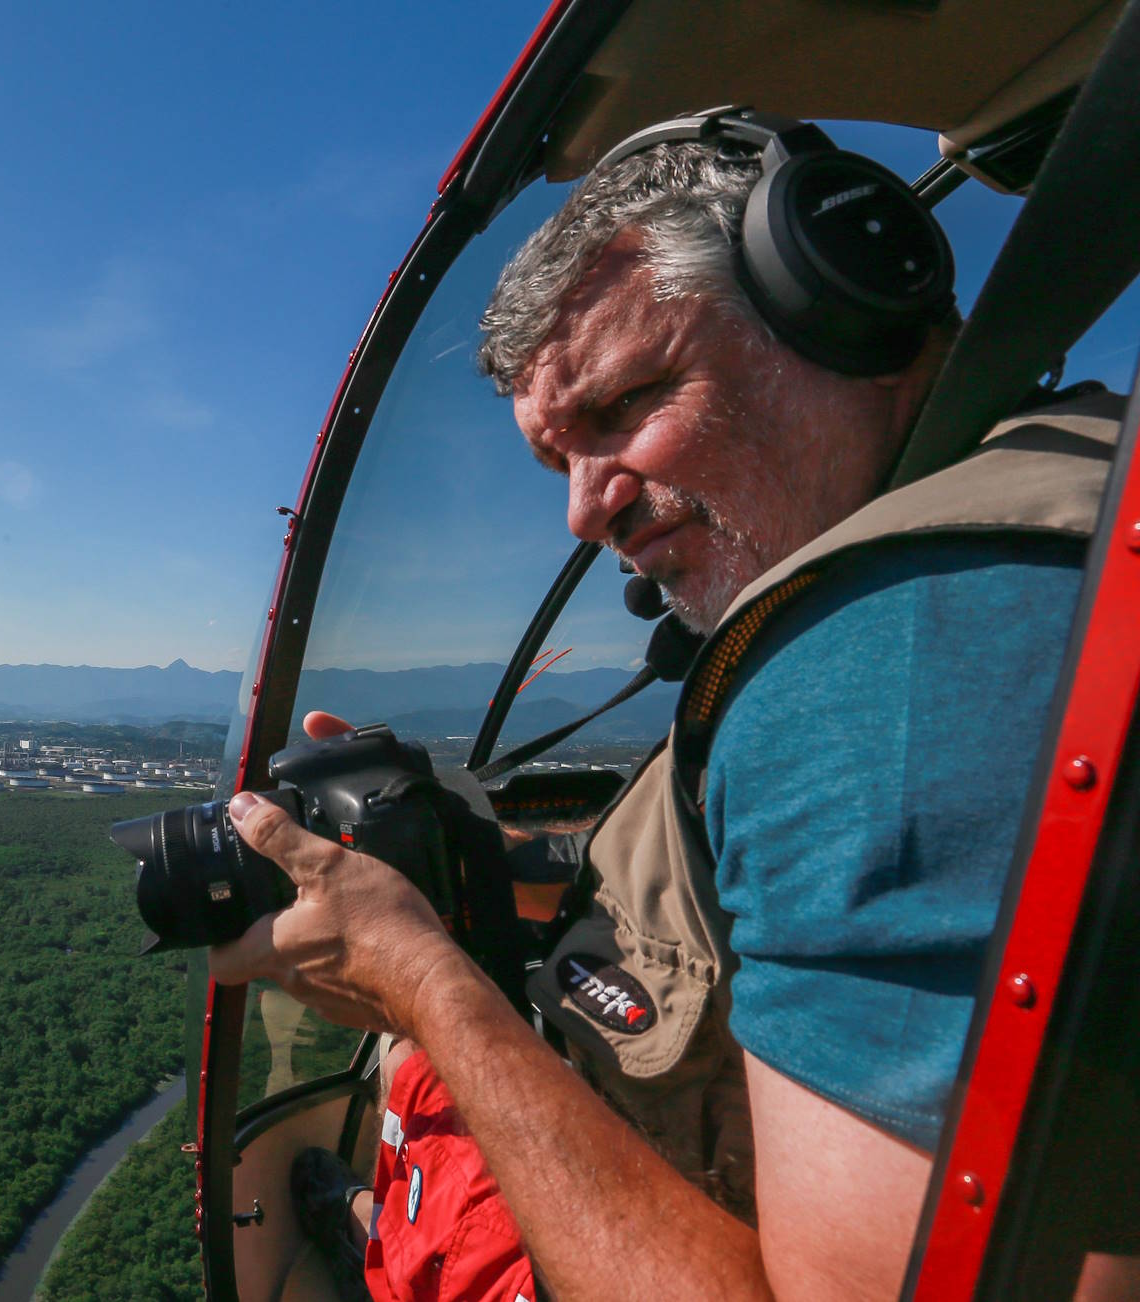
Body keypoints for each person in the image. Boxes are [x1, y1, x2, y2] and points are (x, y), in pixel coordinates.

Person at [216, 116, 1123, 1301]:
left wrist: (424, 985)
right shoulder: (1046, 497)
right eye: (559, 464)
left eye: (628, 402)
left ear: (837, 298)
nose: (586, 514)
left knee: (424, 1081)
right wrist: (487, 866)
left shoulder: (887, 660)